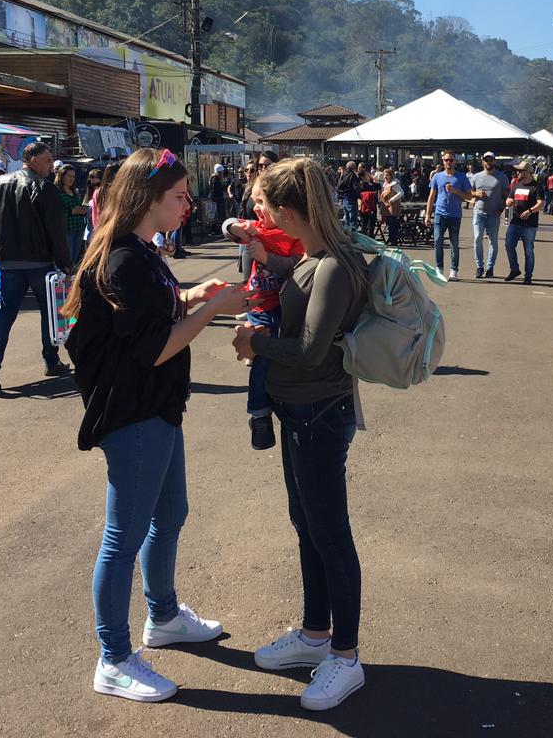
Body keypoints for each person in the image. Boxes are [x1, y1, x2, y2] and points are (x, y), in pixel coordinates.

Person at [62, 147, 251, 704]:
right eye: (179, 196)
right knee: (122, 537)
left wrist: (195, 295)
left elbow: (157, 310)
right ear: (148, 200)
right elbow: (156, 347)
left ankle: (163, 617)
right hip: (134, 411)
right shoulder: (123, 258)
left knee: (169, 514)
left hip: (156, 408)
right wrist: (212, 311)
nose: (188, 205)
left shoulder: (139, 251)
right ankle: (114, 657)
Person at [231, 157, 369, 712]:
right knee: (306, 523)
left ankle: (346, 654)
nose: (261, 215)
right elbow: (298, 292)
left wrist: (254, 345)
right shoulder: (313, 258)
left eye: (268, 207)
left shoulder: (334, 264)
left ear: (290, 211)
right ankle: (315, 635)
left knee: (329, 531)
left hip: (318, 410)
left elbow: (312, 350)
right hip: (299, 409)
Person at [0, 141, 72, 394]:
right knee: (50, 312)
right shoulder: (44, 188)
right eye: (48, 160)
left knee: (5, 313)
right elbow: (56, 230)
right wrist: (66, 263)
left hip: (8, 262)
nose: (51, 165)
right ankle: (50, 359)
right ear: (33, 160)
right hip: (40, 263)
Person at [223, 175, 305, 450]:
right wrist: (237, 227)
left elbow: (298, 266)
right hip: (259, 305)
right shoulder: (257, 227)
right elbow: (227, 226)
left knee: (278, 356)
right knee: (261, 356)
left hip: (284, 306)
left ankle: (280, 405)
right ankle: (259, 415)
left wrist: (266, 258)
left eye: (261, 202)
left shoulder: (293, 234)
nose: (255, 208)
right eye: (254, 201)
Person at [424, 151, 473, 281]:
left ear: (454, 162)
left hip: (455, 215)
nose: (448, 162)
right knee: (437, 241)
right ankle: (439, 268)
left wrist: (456, 191)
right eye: (446, 160)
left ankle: (454, 270)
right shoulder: (437, 177)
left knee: (454, 243)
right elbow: (431, 196)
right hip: (440, 213)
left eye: (451, 160)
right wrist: (428, 215)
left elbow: (469, 196)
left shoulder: (461, 177)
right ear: (443, 161)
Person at [468, 151, 508, 278]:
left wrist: (501, 208)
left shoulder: (502, 177)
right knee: (477, 238)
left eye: (491, 160)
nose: (488, 162)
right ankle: (479, 266)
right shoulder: (476, 177)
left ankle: (490, 268)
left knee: (493, 241)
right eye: (486, 160)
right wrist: (476, 194)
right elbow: (468, 193)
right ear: (482, 161)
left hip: (494, 213)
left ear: (494, 161)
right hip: (479, 212)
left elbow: (507, 196)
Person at [503, 161, 544, 284]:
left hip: (529, 225)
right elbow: (508, 199)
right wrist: (508, 202)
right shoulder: (516, 185)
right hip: (514, 221)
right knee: (509, 245)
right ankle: (514, 269)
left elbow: (541, 203)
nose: (517, 173)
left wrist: (530, 211)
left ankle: (528, 276)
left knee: (528, 251)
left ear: (527, 172)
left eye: (520, 171)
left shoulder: (536, 187)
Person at [56, 164, 88, 266]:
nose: (72, 179)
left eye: (73, 176)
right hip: (67, 230)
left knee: (74, 260)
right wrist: (71, 211)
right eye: (69, 176)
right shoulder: (56, 192)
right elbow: (56, 212)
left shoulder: (74, 191)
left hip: (79, 229)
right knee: (67, 259)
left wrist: (83, 209)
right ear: (62, 176)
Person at [379, 165, 404, 247]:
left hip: (393, 206)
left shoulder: (394, 183)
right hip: (386, 206)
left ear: (391, 175)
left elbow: (401, 193)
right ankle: (391, 238)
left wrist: (392, 199)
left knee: (392, 224)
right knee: (389, 224)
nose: (385, 177)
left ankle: (393, 240)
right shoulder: (385, 184)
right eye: (384, 175)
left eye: (387, 175)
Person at [336, 160, 361, 231]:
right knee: (353, 220)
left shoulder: (343, 175)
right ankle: (353, 236)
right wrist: (359, 196)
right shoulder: (353, 176)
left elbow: (338, 186)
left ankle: (346, 235)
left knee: (347, 219)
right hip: (352, 199)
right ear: (354, 168)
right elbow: (356, 188)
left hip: (344, 199)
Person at [357, 165, 380, 238]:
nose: (369, 175)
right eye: (367, 175)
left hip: (372, 206)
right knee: (364, 223)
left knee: (372, 224)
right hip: (364, 206)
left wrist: (375, 179)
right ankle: (365, 238)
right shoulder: (360, 185)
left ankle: (370, 237)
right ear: (363, 177)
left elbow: (378, 187)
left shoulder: (371, 184)